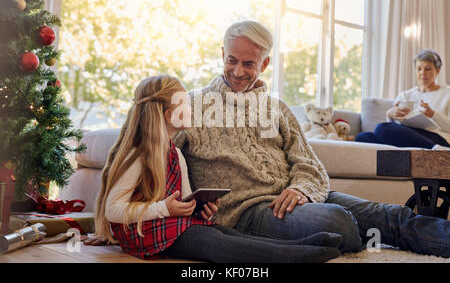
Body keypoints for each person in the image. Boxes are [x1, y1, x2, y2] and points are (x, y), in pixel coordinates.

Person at [173, 21, 450, 258]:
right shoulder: (193, 105)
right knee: (337, 221)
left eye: (249, 63)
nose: (238, 71)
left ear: (265, 63)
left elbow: (309, 163)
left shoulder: (276, 109)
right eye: (232, 60)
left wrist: (302, 190)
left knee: (389, 214)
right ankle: (354, 236)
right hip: (248, 212)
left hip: (299, 198)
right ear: (222, 54)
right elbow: (150, 151)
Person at [90, 74, 343, 263]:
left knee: (221, 231)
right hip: (146, 233)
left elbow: (185, 202)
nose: (191, 107)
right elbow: (113, 210)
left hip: (172, 224)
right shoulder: (139, 154)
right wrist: (163, 208)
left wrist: (199, 209)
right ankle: (300, 256)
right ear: (169, 115)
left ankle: (305, 244)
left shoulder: (175, 153)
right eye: (184, 103)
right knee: (216, 244)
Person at [355, 50, 450, 150]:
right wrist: (390, 115)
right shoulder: (406, 95)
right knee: (362, 137)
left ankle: (436, 149)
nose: (423, 73)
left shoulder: (447, 93)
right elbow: (395, 126)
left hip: (437, 137)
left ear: (437, 70)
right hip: (408, 134)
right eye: (419, 69)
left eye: (428, 69)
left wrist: (433, 114)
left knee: (382, 128)